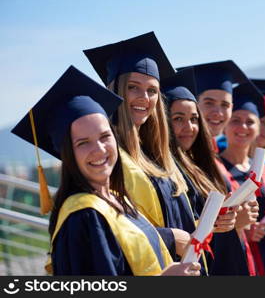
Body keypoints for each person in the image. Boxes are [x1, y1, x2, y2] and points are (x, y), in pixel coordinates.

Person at [11, 66, 200, 276]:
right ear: (68, 153)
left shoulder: (118, 200)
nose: (99, 149)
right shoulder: (84, 216)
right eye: (83, 143)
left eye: (104, 137)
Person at [84, 32, 199, 261]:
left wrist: (211, 221)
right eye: (133, 87)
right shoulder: (104, 154)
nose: (144, 98)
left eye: (152, 90)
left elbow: (178, 216)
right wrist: (167, 238)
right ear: (114, 89)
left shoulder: (157, 153)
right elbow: (102, 228)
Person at [162, 68, 251, 275]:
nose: (189, 126)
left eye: (194, 119)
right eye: (177, 118)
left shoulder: (200, 162)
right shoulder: (167, 171)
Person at [219, 81, 265, 275]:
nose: (243, 126)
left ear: (259, 128)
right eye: (235, 120)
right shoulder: (214, 170)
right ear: (225, 124)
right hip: (235, 260)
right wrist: (243, 229)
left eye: (250, 121)